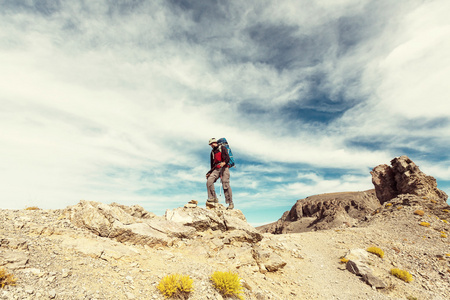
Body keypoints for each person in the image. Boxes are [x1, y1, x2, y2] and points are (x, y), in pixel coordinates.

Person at [206, 138, 234, 209]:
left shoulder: (223, 148)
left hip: (224, 168)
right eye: (210, 144)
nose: (211, 145)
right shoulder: (212, 152)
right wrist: (209, 172)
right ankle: (213, 198)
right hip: (216, 168)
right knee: (209, 181)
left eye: (212, 144)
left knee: (225, 184)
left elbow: (227, 158)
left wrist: (224, 163)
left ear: (215, 142)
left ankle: (230, 203)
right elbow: (212, 164)